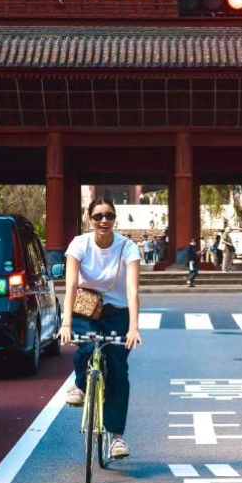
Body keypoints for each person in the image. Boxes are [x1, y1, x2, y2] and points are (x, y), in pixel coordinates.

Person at [60, 197, 143, 459]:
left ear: (115, 218)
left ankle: (117, 437)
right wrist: (66, 323)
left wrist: (133, 327)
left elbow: (132, 289)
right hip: (85, 309)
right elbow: (71, 285)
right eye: (98, 216)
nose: (103, 221)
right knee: (85, 347)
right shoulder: (79, 244)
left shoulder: (127, 247)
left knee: (118, 370)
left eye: (108, 215)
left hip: (117, 313)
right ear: (89, 219)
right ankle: (82, 385)